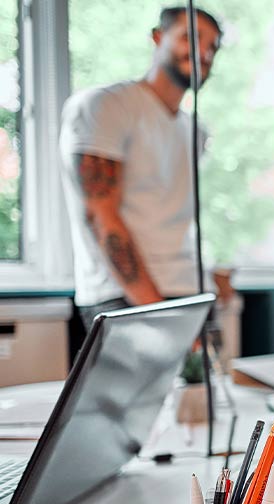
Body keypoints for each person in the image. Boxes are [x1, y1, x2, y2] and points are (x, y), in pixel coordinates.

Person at [60, 7, 223, 326]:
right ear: (158, 38)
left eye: (213, 47)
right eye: (190, 37)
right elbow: (101, 215)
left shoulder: (195, 131)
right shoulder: (106, 106)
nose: (203, 52)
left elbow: (171, 216)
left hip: (191, 293)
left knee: (211, 379)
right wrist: (157, 310)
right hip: (126, 298)